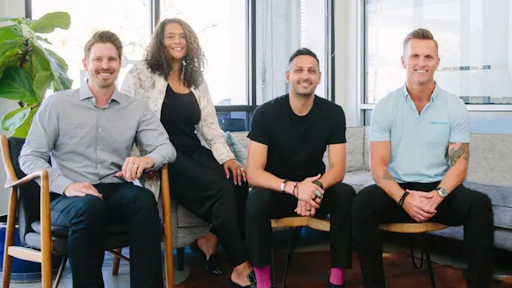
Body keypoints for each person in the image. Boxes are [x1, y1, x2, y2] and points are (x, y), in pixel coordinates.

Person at [19, 31, 176, 288]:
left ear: (120, 63)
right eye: (98, 59)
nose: (105, 65)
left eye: (112, 59)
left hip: (115, 189)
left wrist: (147, 161)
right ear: (85, 64)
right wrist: (67, 186)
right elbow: (30, 156)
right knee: (89, 206)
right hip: (66, 197)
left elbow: (166, 148)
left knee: (143, 199)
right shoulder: (57, 105)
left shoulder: (135, 108)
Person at [352, 28, 494, 288]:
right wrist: (404, 198)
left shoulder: (454, 106)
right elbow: (378, 167)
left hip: (437, 192)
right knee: (362, 203)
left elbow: (459, 165)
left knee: (480, 205)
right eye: (415, 55)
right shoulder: (385, 106)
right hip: (397, 191)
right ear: (404, 61)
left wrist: (438, 195)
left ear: (437, 63)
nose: (421, 63)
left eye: (428, 57)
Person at [121, 18, 254, 287]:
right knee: (220, 190)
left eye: (182, 36)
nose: (177, 41)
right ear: (160, 41)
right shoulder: (141, 74)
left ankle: (209, 238)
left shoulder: (194, 77)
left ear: (189, 41)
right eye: (170, 36)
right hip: (164, 156)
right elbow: (125, 119)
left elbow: (209, 124)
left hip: (193, 150)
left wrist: (227, 158)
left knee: (238, 182)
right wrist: (139, 160)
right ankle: (242, 267)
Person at [245, 48, 355, 288]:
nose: (305, 76)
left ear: (319, 77)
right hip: (279, 190)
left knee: (346, 194)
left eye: (311, 71)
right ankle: (263, 282)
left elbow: (337, 169)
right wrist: (295, 189)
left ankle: (336, 279)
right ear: (288, 76)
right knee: (255, 201)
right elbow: (254, 173)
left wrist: (313, 189)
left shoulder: (333, 113)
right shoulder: (265, 113)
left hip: (315, 190)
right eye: (299, 70)